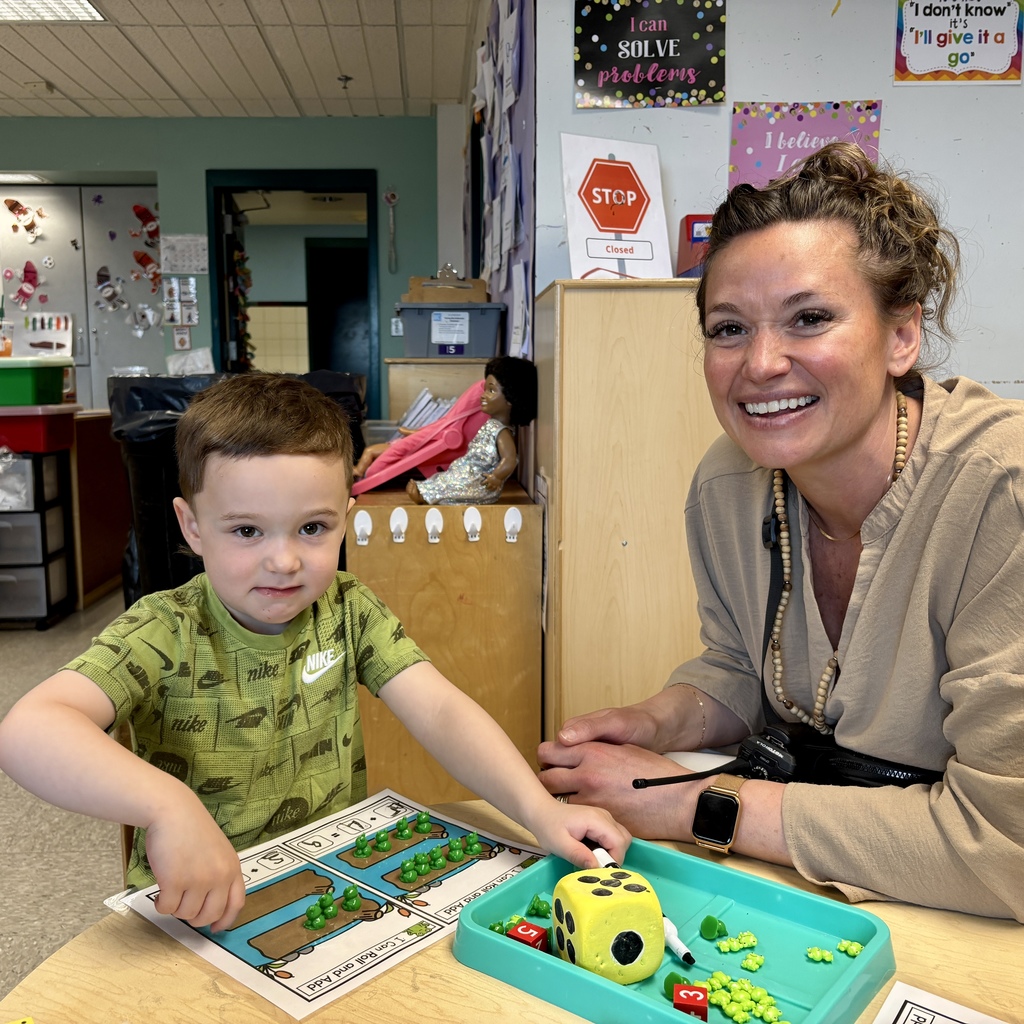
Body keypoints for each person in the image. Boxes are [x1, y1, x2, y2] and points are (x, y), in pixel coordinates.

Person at [537, 142, 1024, 922]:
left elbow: (1008, 846)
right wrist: (659, 721)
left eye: (810, 318)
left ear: (903, 335)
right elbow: (742, 663)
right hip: (824, 886)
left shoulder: (1003, 490)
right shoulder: (727, 486)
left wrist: (698, 806)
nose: (761, 363)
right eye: (728, 329)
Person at [0, 373, 629, 933]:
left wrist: (540, 812)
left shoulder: (348, 609)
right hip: (191, 914)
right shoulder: (164, 630)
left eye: (312, 527)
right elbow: (29, 729)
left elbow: (441, 711)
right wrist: (167, 807)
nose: (284, 560)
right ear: (192, 527)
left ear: (346, 519)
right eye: (247, 530)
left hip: (330, 888)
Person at [406, 355, 537, 505]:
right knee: (447, 478)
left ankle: (425, 495)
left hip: (481, 482)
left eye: (491, 391)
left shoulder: (501, 432)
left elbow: (510, 459)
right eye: (485, 389)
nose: (483, 396)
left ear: (510, 399)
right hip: (469, 471)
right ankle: (426, 489)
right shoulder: (491, 424)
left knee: (454, 485)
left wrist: (496, 477)